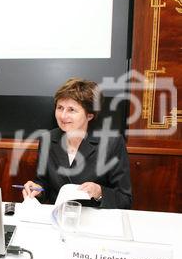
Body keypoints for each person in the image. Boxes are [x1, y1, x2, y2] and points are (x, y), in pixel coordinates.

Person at [23, 78, 132, 209]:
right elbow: (44, 183)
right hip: (59, 217)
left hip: (94, 219)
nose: (63, 116)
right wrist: (37, 189)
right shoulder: (48, 139)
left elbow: (125, 199)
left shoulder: (112, 143)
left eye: (71, 110)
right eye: (60, 108)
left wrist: (99, 192)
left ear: (89, 115)